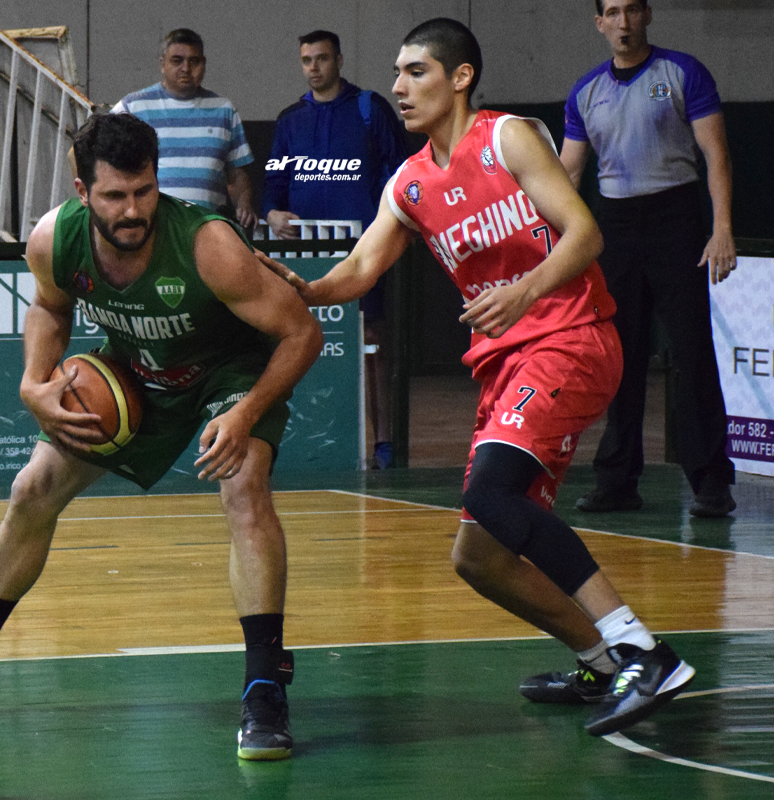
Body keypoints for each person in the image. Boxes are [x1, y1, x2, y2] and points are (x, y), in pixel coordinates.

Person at [260, 18, 694, 736]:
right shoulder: (408, 184)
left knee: (490, 492)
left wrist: (524, 292)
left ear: (460, 77)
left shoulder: (508, 138)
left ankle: (644, 653)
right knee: (480, 555)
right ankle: (601, 662)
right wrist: (304, 290)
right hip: (505, 366)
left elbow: (585, 233)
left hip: (571, 340)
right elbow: (362, 268)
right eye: (397, 74)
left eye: (417, 72)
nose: (399, 87)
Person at [0, 112, 321, 762]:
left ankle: (263, 689)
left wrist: (246, 413)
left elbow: (303, 333)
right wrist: (32, 381)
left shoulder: (208, 245)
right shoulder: (56, 239)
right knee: (32, 489)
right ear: (82, 189)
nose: (131, 209)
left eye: (143, 191)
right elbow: (50, 308)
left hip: (232, 371)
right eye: (113, 196)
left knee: (244, 486)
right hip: (137, 371)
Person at [562, 0, 737, 517]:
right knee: (619, 356)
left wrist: (721, 228)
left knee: (691, 352)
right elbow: (569, 174)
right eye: (612, 12)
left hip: (675, 219)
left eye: (632, 10)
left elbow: (717, 155)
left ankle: (710, 482)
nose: (623, 22)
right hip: (613, 225)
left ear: (647, 15)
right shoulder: (585, 91)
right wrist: (546, 243)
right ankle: (617, 480)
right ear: (599, 23)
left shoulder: (683, 72)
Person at [262, 29, 408, 469]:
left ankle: (382, 441)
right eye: (307, 59)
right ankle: (303, 440)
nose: (314, 67)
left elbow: (401, 171)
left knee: (372, 339)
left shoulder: (370, 109)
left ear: (339, 60)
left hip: (364, 250)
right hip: (307, 254)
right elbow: (273, 186)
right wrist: (272, 214)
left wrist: (385, 226)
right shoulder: (290, 119)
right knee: (302, 337)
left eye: (322, 58)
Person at [111, 29, 258, 229]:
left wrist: (244, 205)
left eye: (194, 61)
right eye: (177, 60)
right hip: (153, 229)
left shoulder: (224, 110)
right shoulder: (133, 107)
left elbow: (237, 174)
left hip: (208, 228)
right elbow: (87, 151)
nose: (186, 68)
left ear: (204, 64)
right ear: (162, 63)